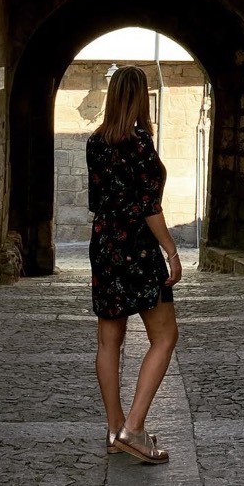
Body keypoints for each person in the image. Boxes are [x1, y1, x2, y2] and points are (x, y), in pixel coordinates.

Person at [86, 65, 182, 465]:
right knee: (165, 336)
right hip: (138, 250)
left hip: (105, 244)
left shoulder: (95, 141)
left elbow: (99, 200)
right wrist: (171, 251)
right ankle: (135, 429)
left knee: (109, 340)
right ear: (141, 97)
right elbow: (148, 207)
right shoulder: (139, 141)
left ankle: (114, 430)